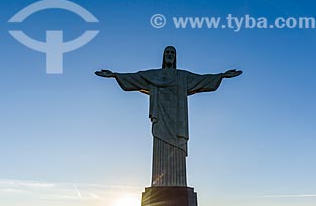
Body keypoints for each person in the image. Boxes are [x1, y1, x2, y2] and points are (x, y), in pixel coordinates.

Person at [95, 46, 242, 186]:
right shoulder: (154, 75)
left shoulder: (183, 76)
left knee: (177, 152)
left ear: (175, 57)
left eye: (172, 53)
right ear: (163, 57)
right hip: (161, 121)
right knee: (160, 148)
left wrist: (221, 76)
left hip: (178, 123)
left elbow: (202, 80)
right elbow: (136, 78)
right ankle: (161, 185)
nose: (170, 55)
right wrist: (115, 75)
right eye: (167, 53)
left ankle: (177, 183)